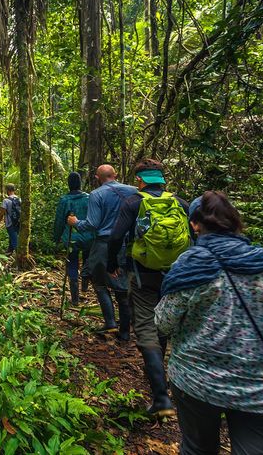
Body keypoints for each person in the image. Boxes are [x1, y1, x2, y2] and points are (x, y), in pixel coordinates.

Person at [155, 191, 263, 454]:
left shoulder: (190, 266)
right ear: (235, 223)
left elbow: (163, 322)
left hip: (197, 382)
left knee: (196, 449)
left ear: (194, 224)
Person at [107, 159, 190, 417]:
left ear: (141, 180)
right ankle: (160, 370)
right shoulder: (181, 204)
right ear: (162, 180)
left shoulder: (133, 202)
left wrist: (112, 263)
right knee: (164, 320)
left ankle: (161, 397)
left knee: (145, 326)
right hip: (176, 276)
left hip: (143, 275)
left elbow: (116, 236)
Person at [67, 164, 137, 338]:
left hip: (104, 244)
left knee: (99, 282)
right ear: (116, 174)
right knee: (122, 287)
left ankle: (110, 323)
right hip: (127, 245)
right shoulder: (134, 191)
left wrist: (75, 222)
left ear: (97, 178)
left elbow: (92, 224)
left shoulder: (96, 194)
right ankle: (125, 332)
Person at [52, 172, 94, 306]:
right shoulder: (89, 197)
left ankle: (75, 298)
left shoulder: (65, 200)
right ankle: (85, 287)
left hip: (72, 238)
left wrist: (56, 237)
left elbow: (59, 221)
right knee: (87, 260)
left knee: (72, 263)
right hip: (88, 236)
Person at [0, 183, 21, 254]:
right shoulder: (19, 199)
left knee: (14, 238)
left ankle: (18, 256)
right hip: (18, 222)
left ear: (7, 190)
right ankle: (10, 251)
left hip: (10, 222)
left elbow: (1, 214)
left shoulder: (6, 201)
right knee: (13, 236)